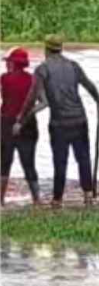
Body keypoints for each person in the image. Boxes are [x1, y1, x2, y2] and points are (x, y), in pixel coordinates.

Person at [15, 35, 99, 207]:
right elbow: (88, 84)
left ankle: (57, 199)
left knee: (60, 160)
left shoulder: (43, 69)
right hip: (79, 119)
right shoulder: (73, 66)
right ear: (61, 48)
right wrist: (97, 97)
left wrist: (21, 117)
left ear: (46, 49)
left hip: (59, 123)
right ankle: (87, 195)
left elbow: (32, 96)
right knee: (83, 158)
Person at [1, 48, 40, 206]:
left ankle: (1, 199)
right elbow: (43, 101)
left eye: (8, 62)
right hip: (28, 124)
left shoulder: (4, 78)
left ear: (13, 63)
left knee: (4, 162)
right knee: (29, 162)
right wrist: (28, 113)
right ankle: (36, 199)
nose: (6, 65)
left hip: (6, 123)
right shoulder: (33, 79)